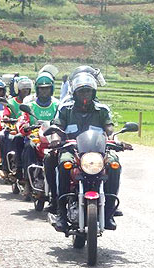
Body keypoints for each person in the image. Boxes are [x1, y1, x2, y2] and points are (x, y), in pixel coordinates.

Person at [49, 72, 122, 232]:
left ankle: (110, 210)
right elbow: (57, 126)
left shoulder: (101, 110)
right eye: (82, 91)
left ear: (93, 92)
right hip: (72, 149)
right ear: (75, 93)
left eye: (88, 91)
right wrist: (55, 138)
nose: (85, 94)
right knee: (63, 164)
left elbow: (109, 127)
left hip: (98, 151)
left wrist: (114, 139)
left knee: (114, 163)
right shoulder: (65, 109)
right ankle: (60, 211)